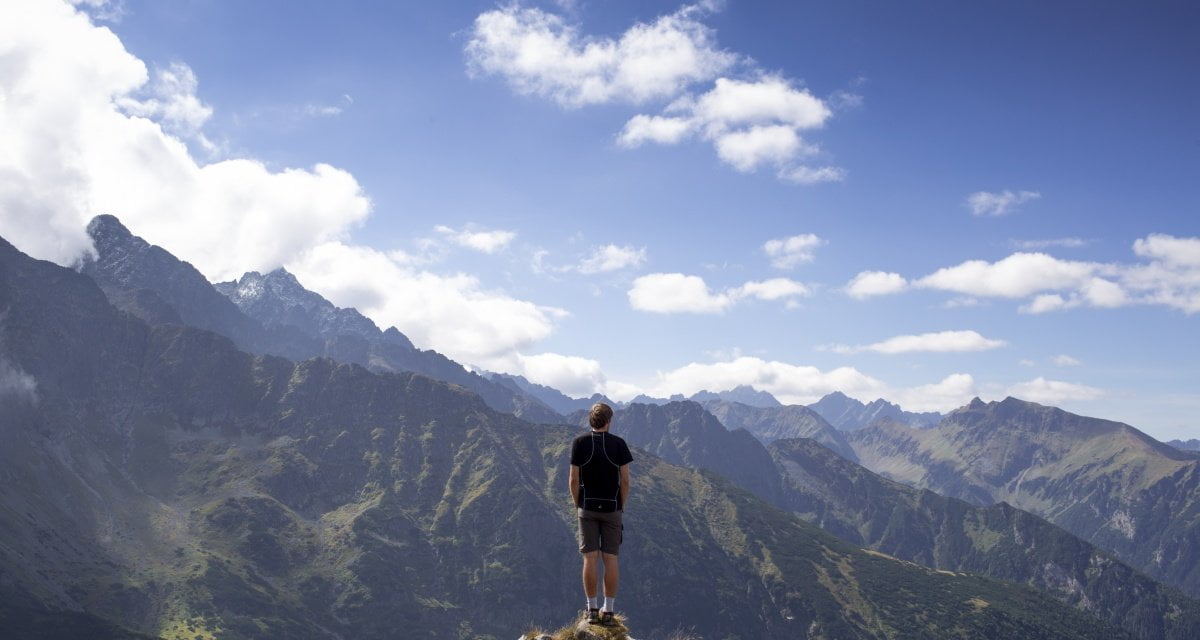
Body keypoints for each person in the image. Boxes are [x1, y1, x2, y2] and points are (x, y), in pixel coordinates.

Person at [569, 402, 632, 627]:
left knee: (590, 558)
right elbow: (625, 480)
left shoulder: (579, 443)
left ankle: (592, 609)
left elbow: (573, 479)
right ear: (608, 421)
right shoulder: (619, 444)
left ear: (591, 420)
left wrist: (578, 504)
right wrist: (621, 505)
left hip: (587, 507)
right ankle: (609, 611)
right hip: (612, 508)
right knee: (610, 559)